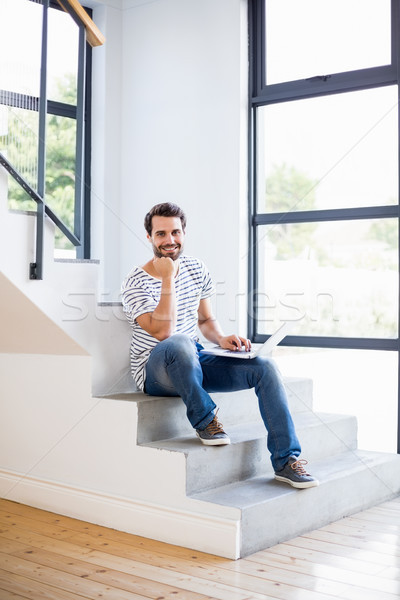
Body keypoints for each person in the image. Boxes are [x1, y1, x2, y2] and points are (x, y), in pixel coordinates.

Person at [121, 202, 318, 489]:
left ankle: (286, 461)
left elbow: (206, 320)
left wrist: (222, 338)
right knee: (179, 342)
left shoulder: (197, 268)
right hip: (155, 370)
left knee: (264, 367)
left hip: (193, 360)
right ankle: (205, 420)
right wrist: (167, 278)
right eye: (161, 234)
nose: (169, 240)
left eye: (175, 232)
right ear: (149, 237)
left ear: (184, 233)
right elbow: (163, 332)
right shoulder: (134, 281)